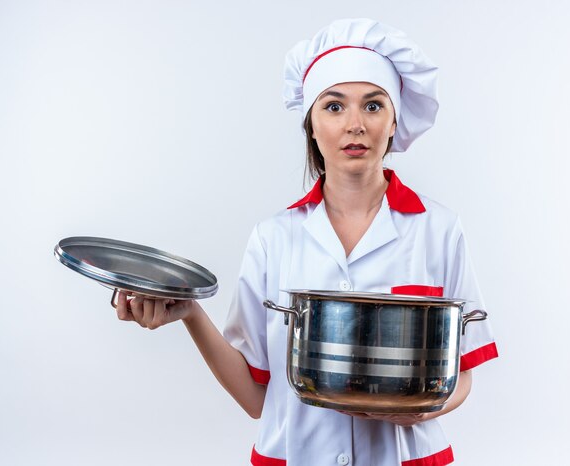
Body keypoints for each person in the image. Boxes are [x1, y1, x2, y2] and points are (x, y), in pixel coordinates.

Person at [115, 18, 498, 466]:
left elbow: (463, 375)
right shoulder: (274, 238)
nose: (355, 124)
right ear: (311, 125)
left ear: (395, 121)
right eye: (334, 107)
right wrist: (189, 312)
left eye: (373, 106)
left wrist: (421, 407)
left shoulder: (439, 229)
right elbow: (259, 397)